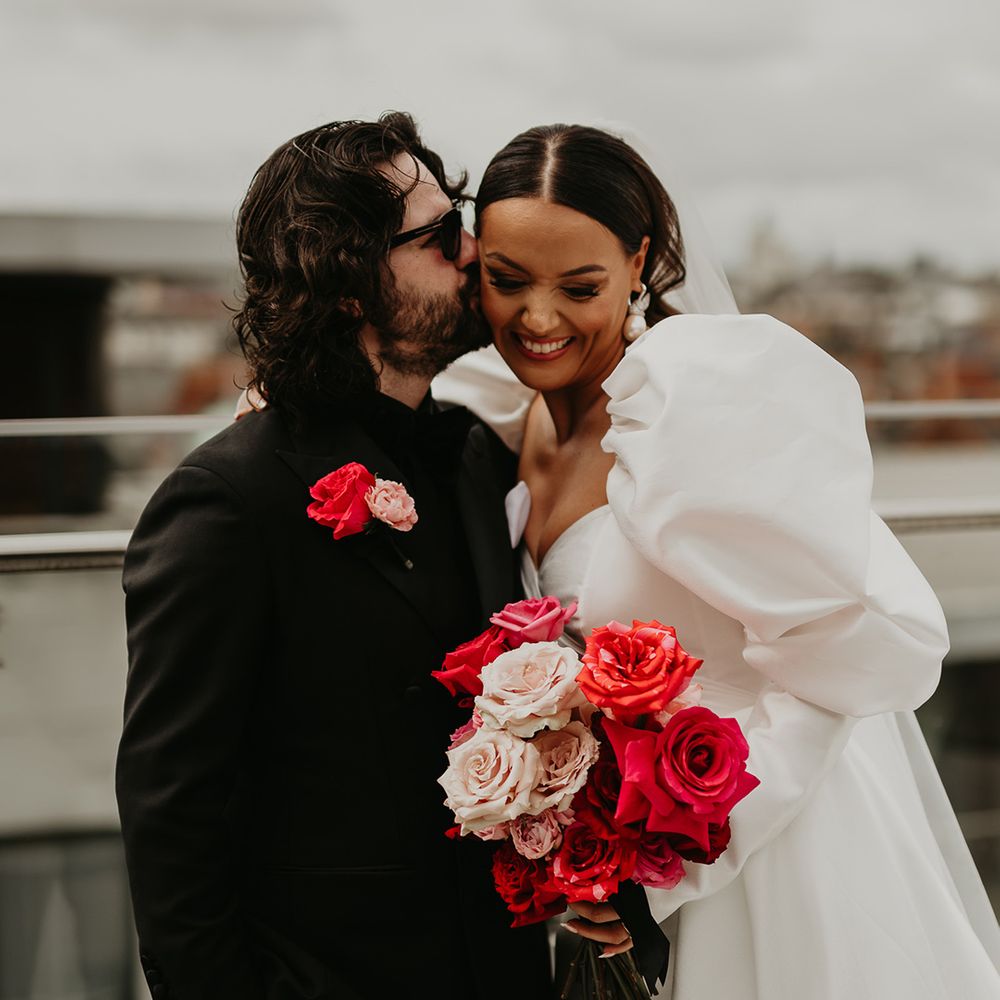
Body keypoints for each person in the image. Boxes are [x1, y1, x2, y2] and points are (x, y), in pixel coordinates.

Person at [433, 123, 1000, 999]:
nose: (537, 319)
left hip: (773, 862)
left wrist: (678, 855)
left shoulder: (691, 404)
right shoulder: (509, 405)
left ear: (640, 263)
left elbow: (838, 673)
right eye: (508, 282)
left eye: (579, 287)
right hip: (617, 888)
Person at [115, 113, 552, 1000]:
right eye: (436, 237)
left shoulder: (476, 454)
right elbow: (173, 817)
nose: (471, 252)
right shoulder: (229, 499)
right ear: (346, 282)